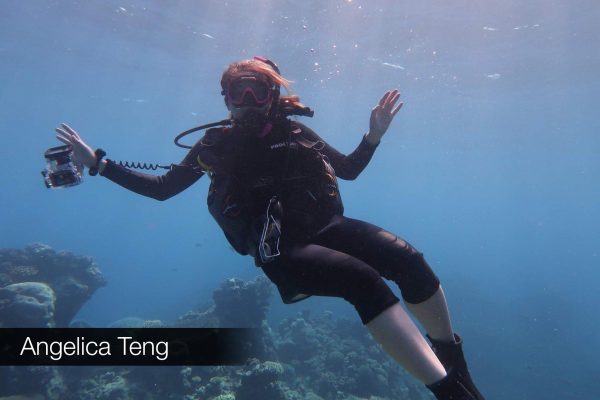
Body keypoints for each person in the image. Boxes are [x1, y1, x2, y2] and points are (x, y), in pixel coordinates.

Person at [56, 57, 485, 400]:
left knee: (406, 257)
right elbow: (163, 189)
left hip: (327, 225)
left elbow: (349, 171)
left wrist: (372, 137)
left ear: (272, 94)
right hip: (279, 249)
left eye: (255, 90)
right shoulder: (214, 146)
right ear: (225, 100)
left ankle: (454, 361)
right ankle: (450, 394)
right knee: (362, 279)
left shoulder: (297, 132)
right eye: (236, 92)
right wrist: (99, 164)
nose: (245, 100)